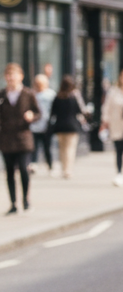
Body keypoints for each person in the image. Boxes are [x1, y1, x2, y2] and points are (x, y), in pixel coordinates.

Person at [0, 63, 39, 213]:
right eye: (8, 75)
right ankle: (13, 203)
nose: (11, 78)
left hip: (24, 138)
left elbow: (38, 113)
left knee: (23, 169)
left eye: (14, 75)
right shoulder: (2, 95)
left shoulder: (28, 94)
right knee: (9, 172)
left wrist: (32, 116)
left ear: (21, 76)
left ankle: (26, 200)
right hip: (6, 139)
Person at [48, 76, 87, 179]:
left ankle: (64, 168)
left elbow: (52, 113)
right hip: (72, 126)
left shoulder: (57, 97)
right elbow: (80, 111)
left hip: (60, 126)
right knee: (70, 149)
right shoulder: (73, 98)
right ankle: (68, 170)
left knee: (62, 149)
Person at [30, 73, 56, 175]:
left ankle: (50, 165)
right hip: (34, 126)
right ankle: (33, 164)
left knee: (47, 147)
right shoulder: (32, 94)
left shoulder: (51, 94)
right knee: (34, 147)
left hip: (47, 125)